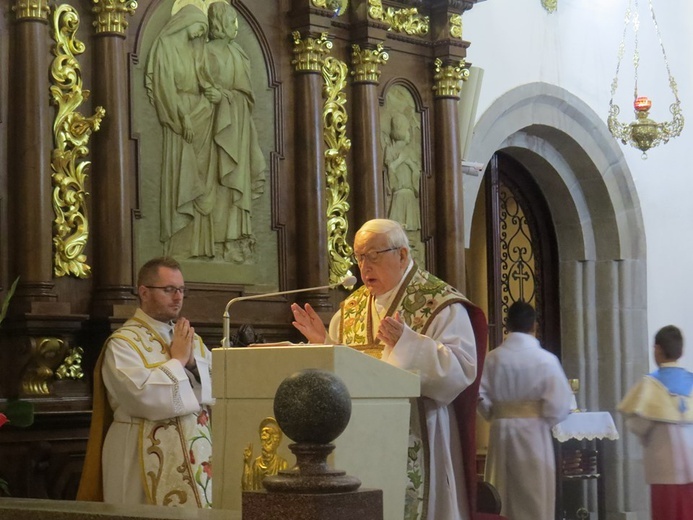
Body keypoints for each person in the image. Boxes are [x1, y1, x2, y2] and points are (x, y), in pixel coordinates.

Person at [290, 218, 486, 520]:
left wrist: (410, 344)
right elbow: (348, 373)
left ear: (403, 255)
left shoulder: (439, 303)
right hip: (361, 434)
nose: (364, 266)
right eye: (359, 256)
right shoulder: (351, 310)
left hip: (422, 430)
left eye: (374, 255)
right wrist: (325, 343)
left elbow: (461, 371)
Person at [77, 257, 214, 507]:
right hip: (138, 456)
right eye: (169, 289)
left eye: (181, 290)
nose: (178, 297)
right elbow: (142, 397)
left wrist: (193, 364)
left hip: (194, 456)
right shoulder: (124, 343)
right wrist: (179, 361)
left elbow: (217, 388)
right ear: (144, 292)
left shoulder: (189, 338)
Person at [477, 301, 573, 520]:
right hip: (533, 434)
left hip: (501, 433)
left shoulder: (492, 358)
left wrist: (495, 414)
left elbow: (478, 395)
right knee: (533, 497)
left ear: (507, 325)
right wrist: (542, 419)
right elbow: (559, 404)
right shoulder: (546, 361)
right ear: (534, 326)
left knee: (502, 494)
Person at [145, 4, 217, 259]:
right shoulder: (165, 46)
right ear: (187, 21)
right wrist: (182, 116)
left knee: (201, 178)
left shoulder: (195, 48)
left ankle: (198, 245)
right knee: (181, 174)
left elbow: (203, 78)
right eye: (201, 28)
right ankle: (177, 238)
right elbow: (165, 87)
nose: (202, 35)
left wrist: (210, 93)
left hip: (199, 115)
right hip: (178, 116)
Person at [203, 1, 266, 264]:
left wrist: (225, 97)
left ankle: (236, 241)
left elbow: (245, 95)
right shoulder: (205, 52)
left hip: (236, 128)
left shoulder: (239, 54)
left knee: (234, 188)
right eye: (231, 21)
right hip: (209, 129)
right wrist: (213, 97)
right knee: (214, 187)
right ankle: (216, 243)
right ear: (218, 24)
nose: (235, 27)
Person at [618, 325, 693, 520]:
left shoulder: (650, 385)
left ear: (657, 350)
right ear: (681, 351)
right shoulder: (691, 381)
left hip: (664, 468)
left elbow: (637, 425)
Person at [242, 416, 289, 490]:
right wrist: (246, 463)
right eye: (263, 441)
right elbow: (247, 488)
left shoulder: (282, 464)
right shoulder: (256, 464)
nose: (265, 445)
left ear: (274, 441)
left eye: (268, 441)